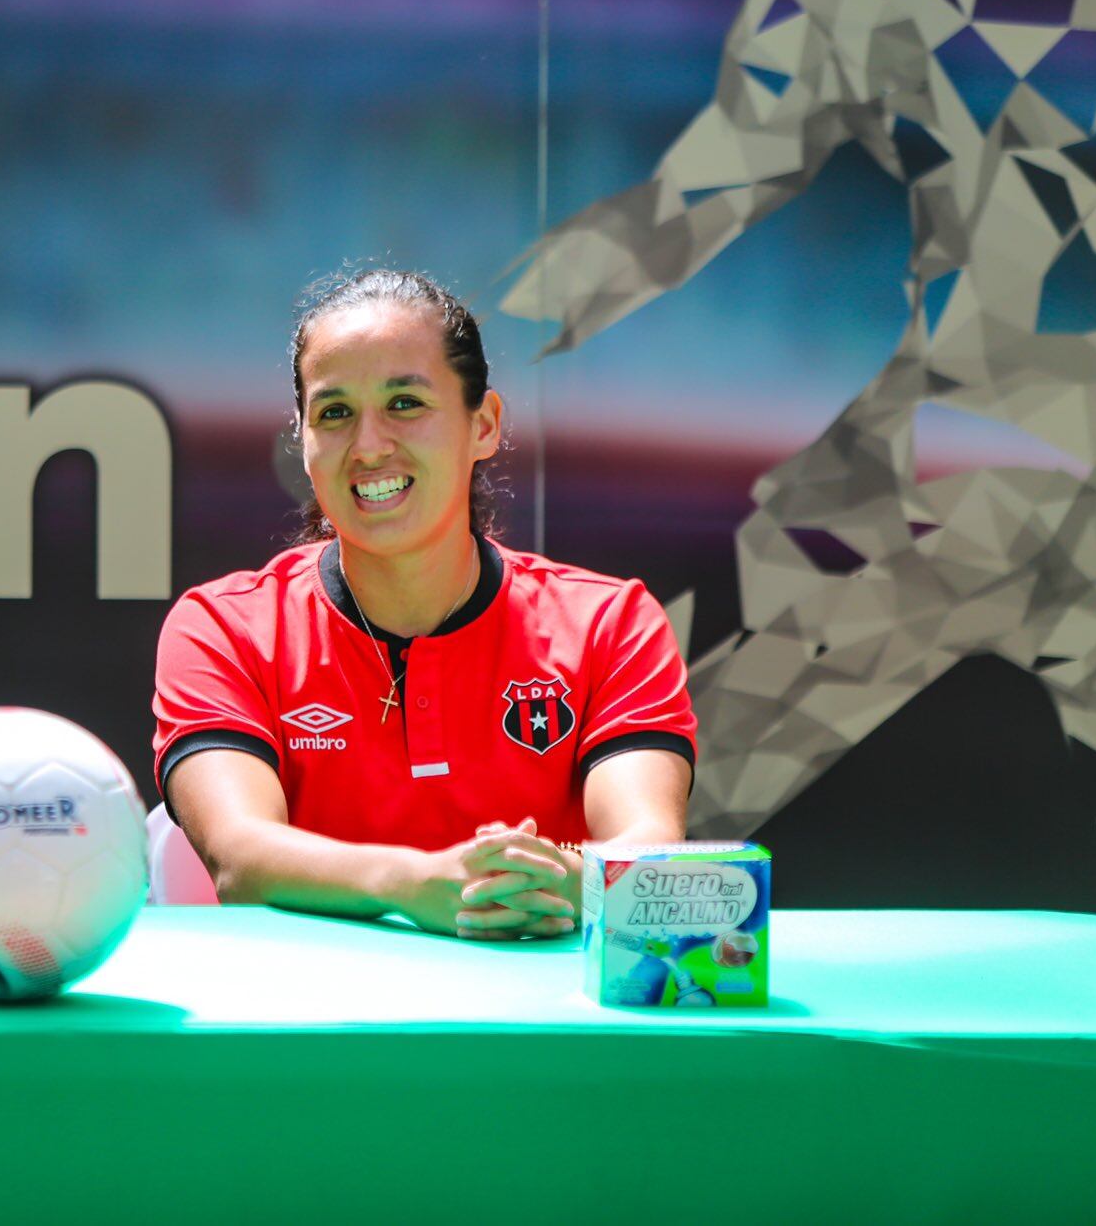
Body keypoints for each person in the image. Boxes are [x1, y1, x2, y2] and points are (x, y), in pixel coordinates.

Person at [152, 269, 694, 939]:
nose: (370, 445)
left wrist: (555, 880)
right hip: (313, 1030)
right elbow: (240, 858)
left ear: (484, 425)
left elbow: (647, 848)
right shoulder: (221, 628)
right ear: (305, 442)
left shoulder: (612, 625)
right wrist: (416, 884)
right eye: (335, 412)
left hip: (546, 1030)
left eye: (404, 403)